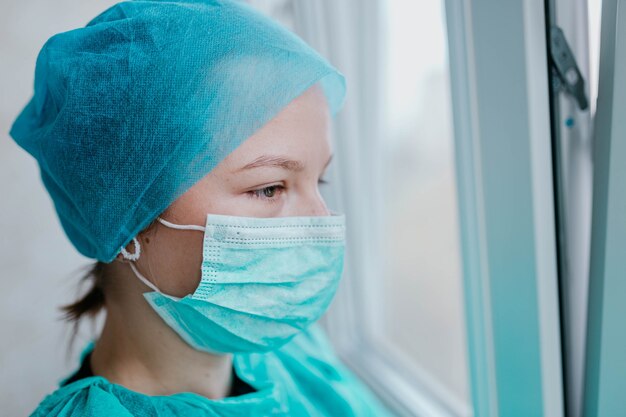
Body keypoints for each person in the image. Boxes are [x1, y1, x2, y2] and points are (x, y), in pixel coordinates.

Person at [9, 1, 393, 416]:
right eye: (269, 189)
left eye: (318, 181)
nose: (321, 223)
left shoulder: (297, 354)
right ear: (125, 213)